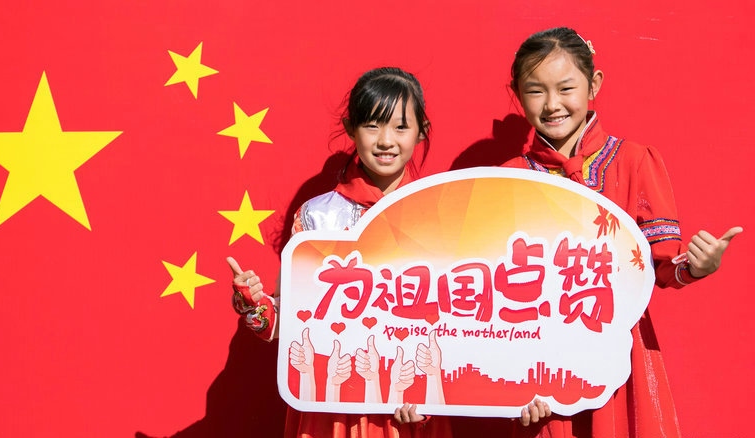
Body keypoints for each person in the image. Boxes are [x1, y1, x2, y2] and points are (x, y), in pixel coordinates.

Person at [227, 67, 551, 438]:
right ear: (350, 129)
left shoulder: (441, 216)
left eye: (400, 127)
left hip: (413, 409)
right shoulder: (317, 217)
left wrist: (492, 387)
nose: (386, 141)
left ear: (421, 131)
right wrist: (253, 303)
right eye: (372, 126)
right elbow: (288, 328)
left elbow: (466, 325)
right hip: (333, 410)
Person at [502, 27, 742, 437]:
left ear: (594, 84)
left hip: (619, 350)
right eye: (536, 91)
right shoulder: (508, 179)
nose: (553, 104)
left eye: (566, 88)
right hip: (541, 354)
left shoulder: (633, 162)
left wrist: (697, 266)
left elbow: (661, 268)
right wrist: (509, 377)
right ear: (517, 94)